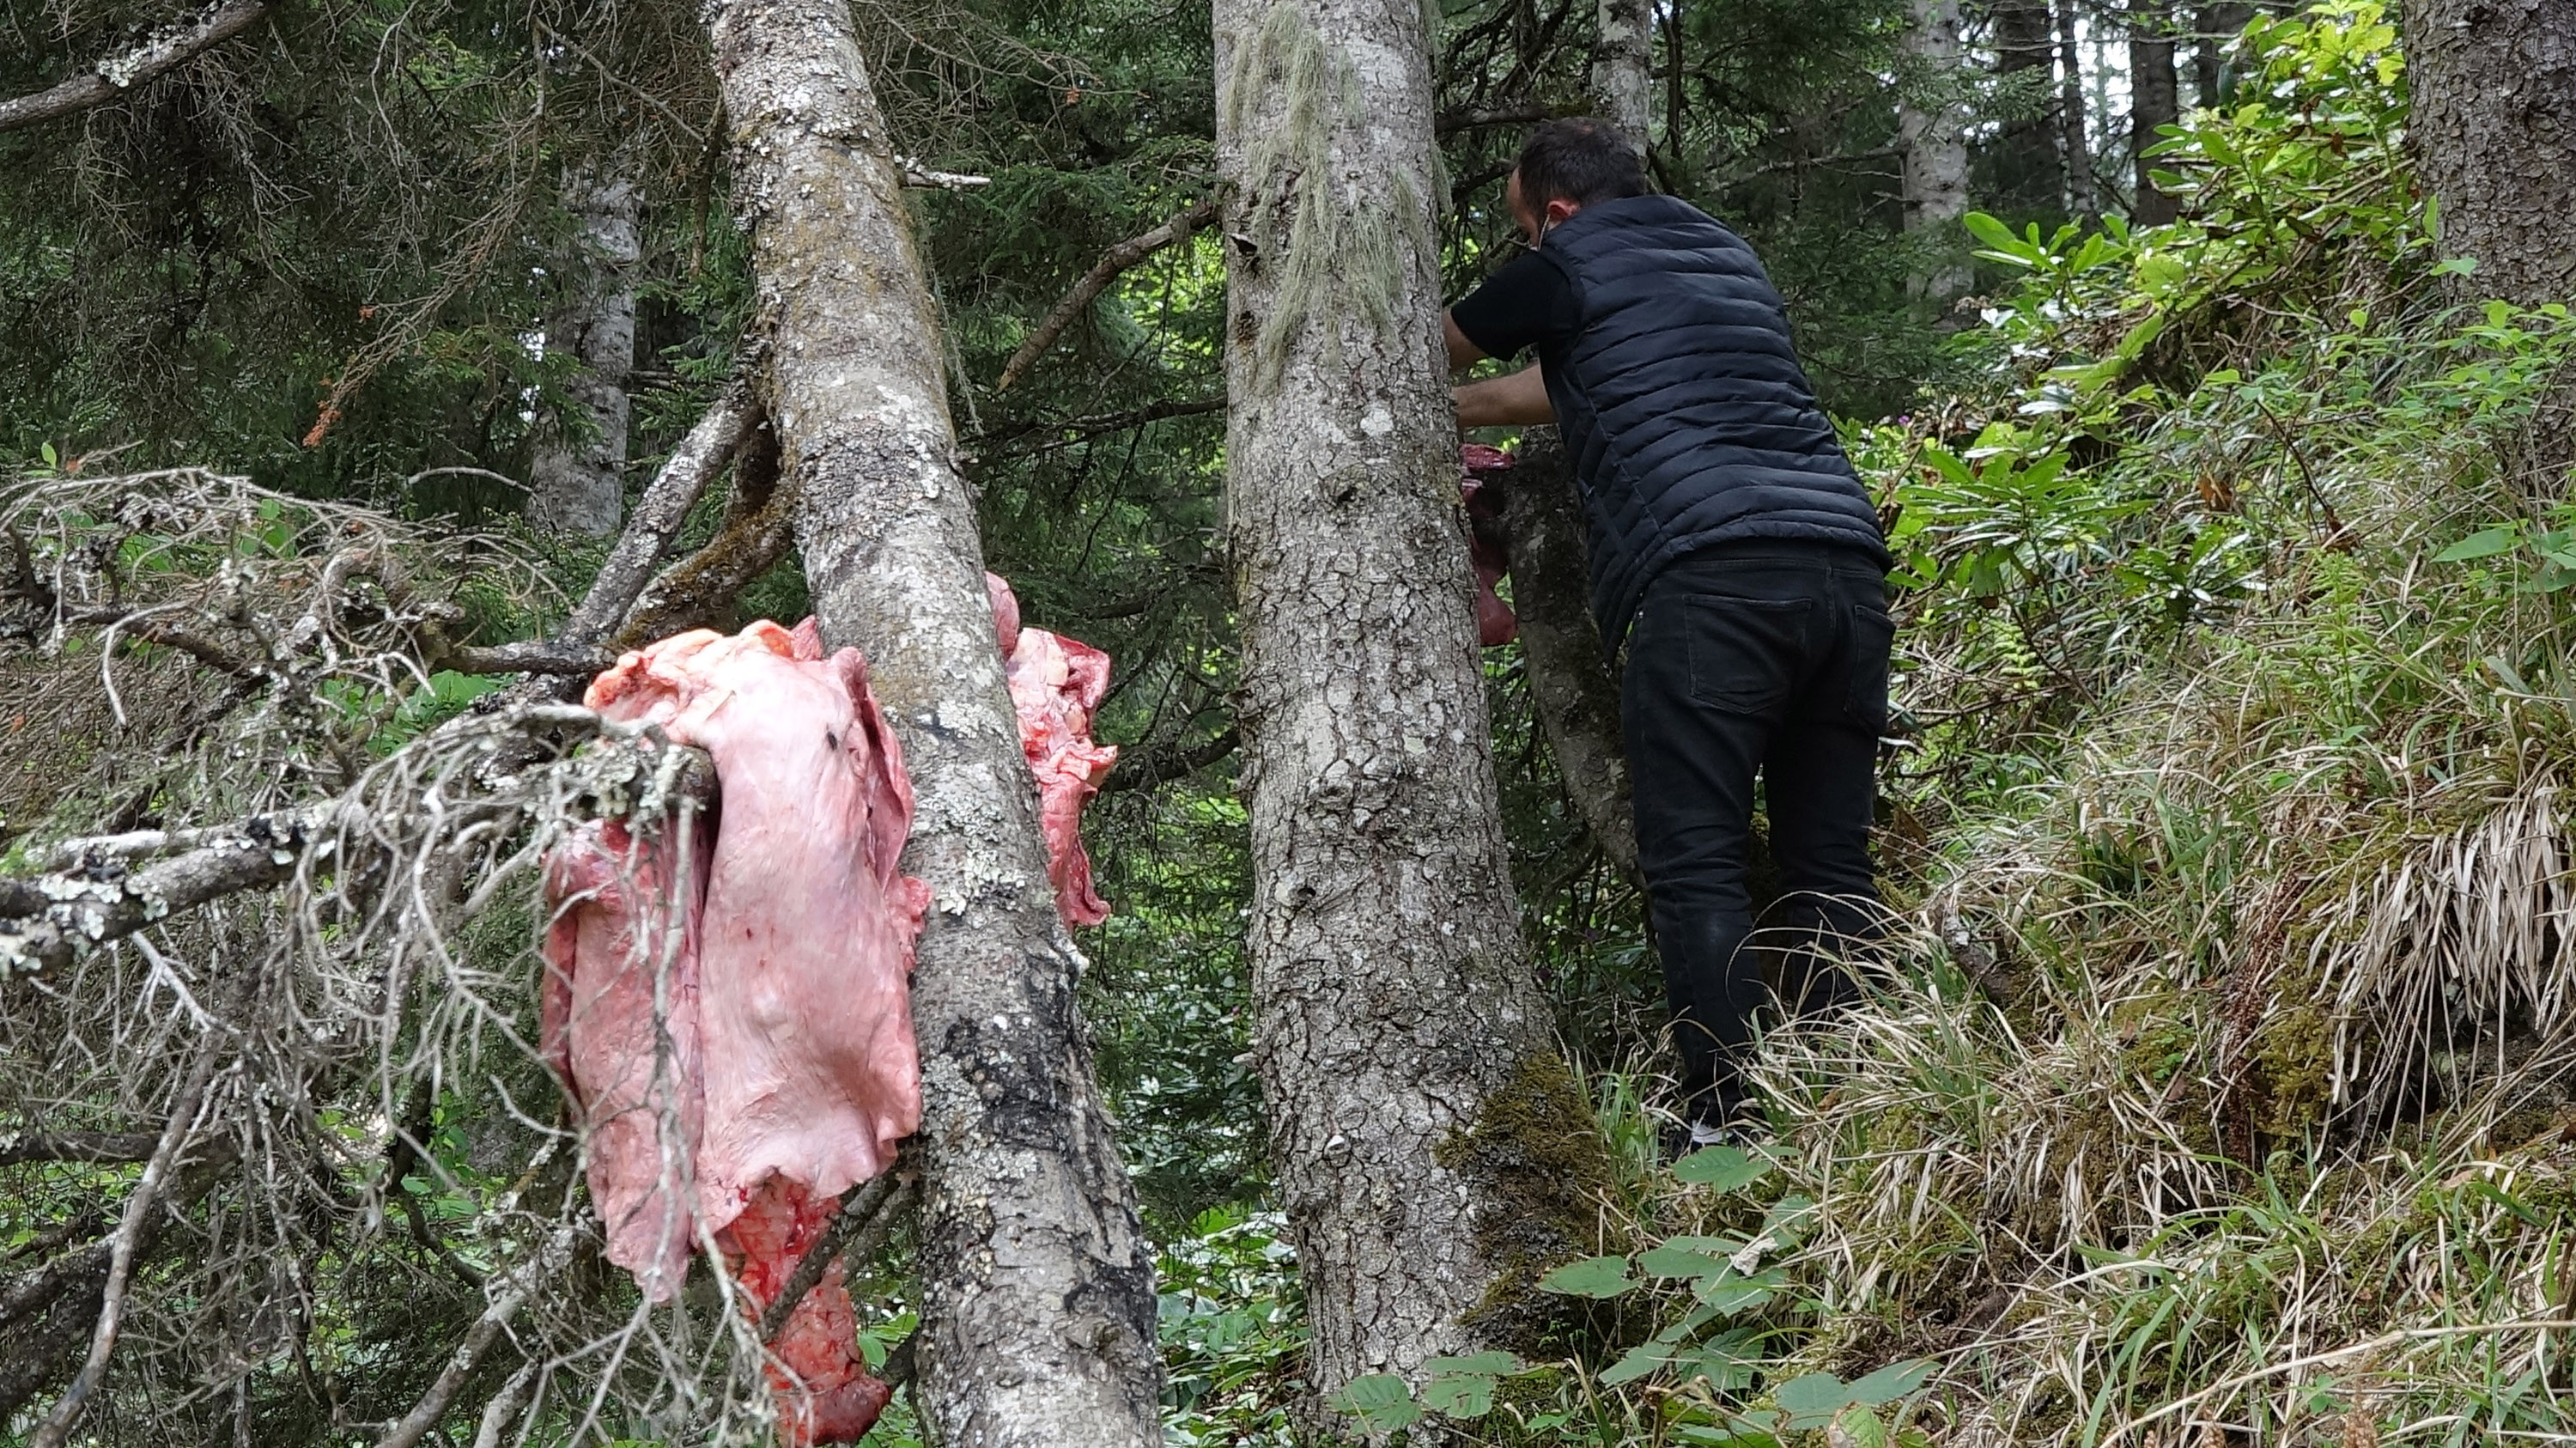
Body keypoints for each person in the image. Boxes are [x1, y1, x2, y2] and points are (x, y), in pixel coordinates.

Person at [1444, 118, 1893, 1147]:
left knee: (1696, 864)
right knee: (1831, 864)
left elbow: (1417, 349)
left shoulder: (1565, 264)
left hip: (1710, 581)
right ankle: (1864, 1112)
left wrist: (1424, 391)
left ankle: (1726, 1124)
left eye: (1527, 229)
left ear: (1557, 213)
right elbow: (1571, 382)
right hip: (1845, 568)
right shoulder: (1722, 256)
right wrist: (1459, 412)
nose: (1530, 247)